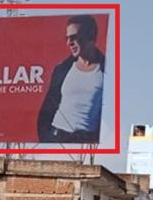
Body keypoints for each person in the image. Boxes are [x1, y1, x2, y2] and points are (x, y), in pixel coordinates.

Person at [37, 15, 105, 143]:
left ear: (89, 37)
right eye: (67, 38)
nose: (69, 43)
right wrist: (46, 137)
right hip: (57, 135)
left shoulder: (105, 71)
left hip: (86, 138)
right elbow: (47, 108)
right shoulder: (62, 69)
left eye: (74, 37)